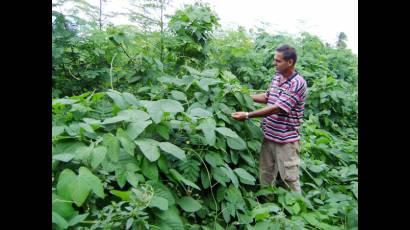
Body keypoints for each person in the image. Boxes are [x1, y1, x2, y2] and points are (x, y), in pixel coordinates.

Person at [231, 44, 307, 193]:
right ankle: (268, 208)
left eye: (278, 61)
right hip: (269, 136)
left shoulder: (298, 83)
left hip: (286, 141)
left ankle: (298, 212)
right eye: (274, 60)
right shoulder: (277, 77)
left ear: (290, 62)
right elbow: (268, 97)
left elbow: (277, 107)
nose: (274, 63)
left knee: (289, 178)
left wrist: (247, 115)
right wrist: (244, 96)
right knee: (265, 174)